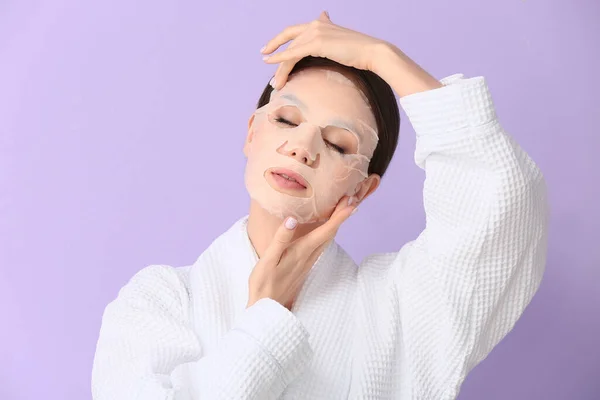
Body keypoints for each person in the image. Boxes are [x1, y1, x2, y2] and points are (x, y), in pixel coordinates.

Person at [91, 11, 549, 400]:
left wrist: (383, 58)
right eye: (287, 119)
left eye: (337, 143)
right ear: (252, 133)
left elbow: (501, 208)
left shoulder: (394, 307)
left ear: (362, 191)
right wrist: (266, 316)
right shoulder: (159, 301)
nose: (302, 146)